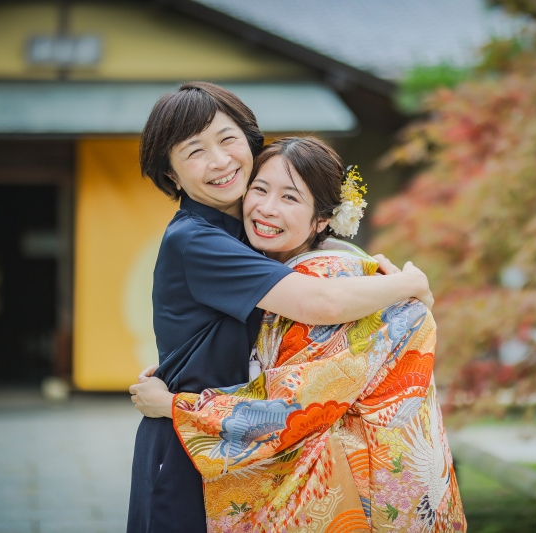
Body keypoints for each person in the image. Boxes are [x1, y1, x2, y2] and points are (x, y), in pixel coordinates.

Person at [128, 83, 434, 533]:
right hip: (190, 448)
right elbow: (321, 303)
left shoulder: (247, 233)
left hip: (242, 444)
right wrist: (409, 282)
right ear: (171, 175)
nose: (219, 160)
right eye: (194, 150)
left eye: (227, 139)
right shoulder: (198, 238)